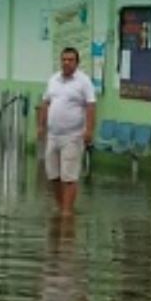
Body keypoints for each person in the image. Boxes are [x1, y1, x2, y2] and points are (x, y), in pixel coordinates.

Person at [38, 47, 96, 215]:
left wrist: (89, 130)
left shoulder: (83, 82)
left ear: (77, 63)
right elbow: (45, 103)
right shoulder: (53, 80)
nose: (66, 63)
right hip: (53, 135)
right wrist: (41, 126)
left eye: (70, 60)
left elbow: (91, 106)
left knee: (68, 176)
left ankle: (67, 211)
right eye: (64, 59)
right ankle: (60, 205)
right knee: (53, 175)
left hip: (73, 136)